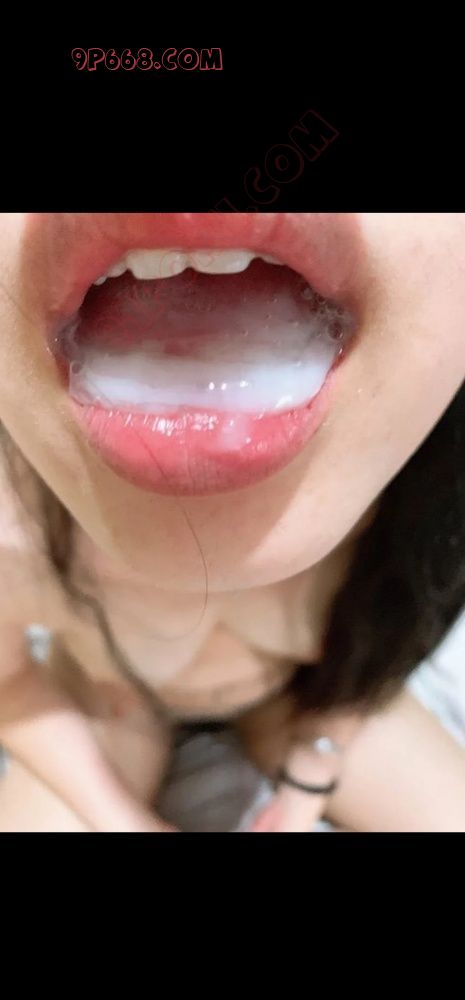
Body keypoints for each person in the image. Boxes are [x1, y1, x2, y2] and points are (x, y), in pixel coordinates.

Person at [0, 211, 464, 833]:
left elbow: (381, 651)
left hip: (299, 703)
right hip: (114, 711)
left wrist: (312, 772)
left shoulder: (417, 503)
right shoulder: (13, 534)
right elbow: (10, 685)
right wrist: (120, 819)